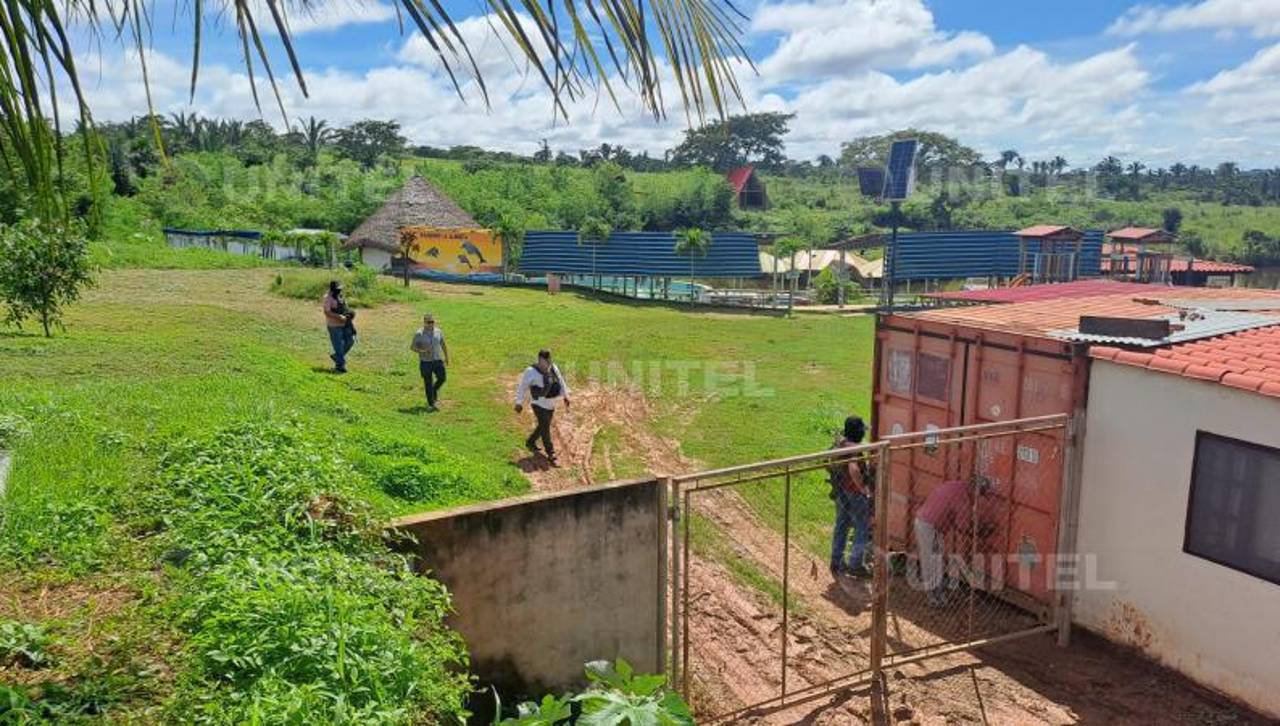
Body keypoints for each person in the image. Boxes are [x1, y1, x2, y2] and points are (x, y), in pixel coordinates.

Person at [914, 475, 993, 607]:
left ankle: (937, 595)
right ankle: (935, 599)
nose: (979, 497)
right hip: (930, 526)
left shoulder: (956, 486)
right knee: (932, 562)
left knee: (934, 561)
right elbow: (963, 526)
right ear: (976, 489)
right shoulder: (963, 498)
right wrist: (982, 530)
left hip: (927, 522)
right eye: (980, 494)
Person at [828, 416, 872, 579]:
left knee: (842, 524)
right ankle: (855, 564)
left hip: (840, 491)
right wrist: (864, 489)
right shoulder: (854, 450)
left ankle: (836, 561)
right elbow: (854, 469)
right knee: (862, 526)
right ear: (859, 432)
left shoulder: (841, 444)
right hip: (854, 493)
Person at [514, 350, 571, 466]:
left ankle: (530, 441)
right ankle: (551, 454)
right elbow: (522, 387)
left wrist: (566, 396)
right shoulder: (530, 372)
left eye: (550, 360)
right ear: (540, 360)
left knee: (543, 426)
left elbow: (561, 381)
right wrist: (519, 403)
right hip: (538, 404)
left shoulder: (553, 367)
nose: (549, 363)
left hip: (551, 404)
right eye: (546, 361)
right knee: (545, 428)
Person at [410, 313, 449, 411]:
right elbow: (412, 347)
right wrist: (422, 351)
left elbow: (443, 344)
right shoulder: (419, 334)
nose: (431, 324)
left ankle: (434, 390)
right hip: (425, 362)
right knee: (428, 382)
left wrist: (446, 357)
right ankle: (431, 404)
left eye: (432, 322)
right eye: (429, 322)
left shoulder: (438, 331)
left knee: (442, 378)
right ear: (424, 323)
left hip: (437, 360)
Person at [323, 280, 356, 373]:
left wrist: (350, 314)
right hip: (334, 326)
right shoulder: (327, 298)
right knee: (338, 346)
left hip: (345, 324)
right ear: (332, 289)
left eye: (340, 289)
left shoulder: (340, 296)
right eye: (337, 289)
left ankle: (336, 357)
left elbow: (345, 307)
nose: (339, 291)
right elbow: (327, 312)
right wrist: (338, 316)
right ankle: (340, 367)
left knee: (351, 340)